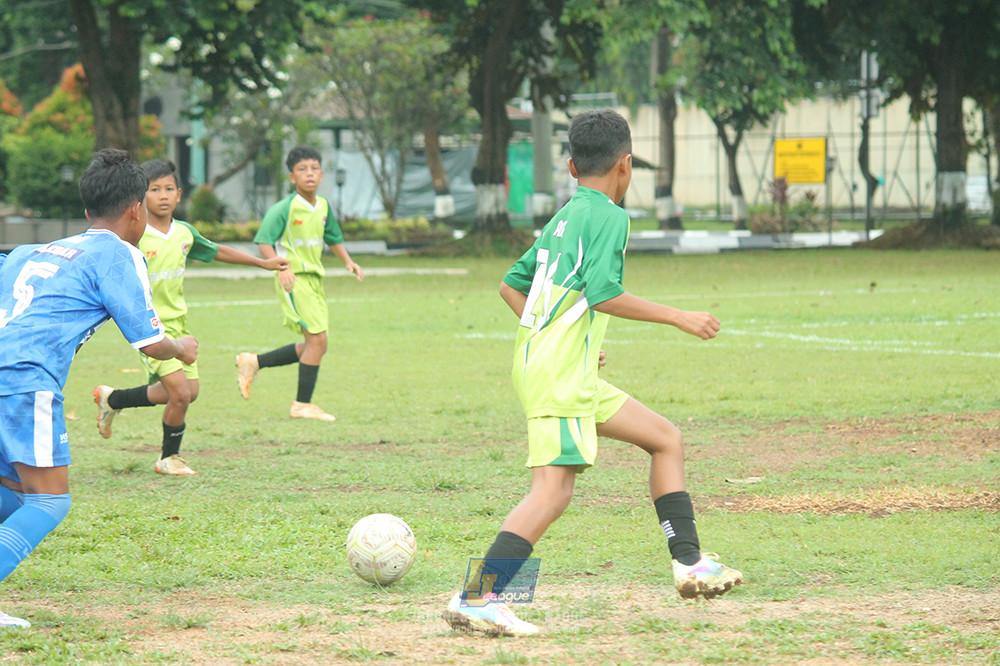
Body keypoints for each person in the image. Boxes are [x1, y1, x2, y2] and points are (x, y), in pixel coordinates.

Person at [441, 109, 743, 637]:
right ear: (625, 166)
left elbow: (510, 285)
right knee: (552, 492)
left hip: (561, 367)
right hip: (558, 373)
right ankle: (480, 596)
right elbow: (605, 293)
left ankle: (690, 563)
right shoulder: (608, 216)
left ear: (571, 165)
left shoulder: (563, 216)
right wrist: (679, 316)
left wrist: (558, 333)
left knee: (664, 438)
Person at [0, 149, 198, 627]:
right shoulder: (119, 254)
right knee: (49, 499)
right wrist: (182, 348)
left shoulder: (36, 250)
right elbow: (150, 342)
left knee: (14, 492)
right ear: (136, 210)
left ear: (88, 209)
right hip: (25, 381)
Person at [91, 159, 288, 476]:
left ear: (180, 194)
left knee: (186, 394)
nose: (163, 195)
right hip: (150, 327)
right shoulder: (135, 234)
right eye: (155, 190)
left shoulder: (183, 233)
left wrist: (261, 264)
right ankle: (169, 458)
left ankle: (114, 399)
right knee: (180, 393)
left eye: (169, 189)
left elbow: (217, 250)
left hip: (180, 324)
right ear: (141, 198)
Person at [235, 146, 364, 421]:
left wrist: (348, 262)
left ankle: (253, 362)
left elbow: (333, 237)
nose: (310, 174)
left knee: (316, 344)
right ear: (292, 177)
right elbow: (264, 242)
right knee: (318, 341)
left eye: (314, 169)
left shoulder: (324, 206)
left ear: (321, 173)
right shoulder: (284, 208)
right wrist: (281, 267)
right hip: (294, 279)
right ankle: (302, 405)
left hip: (315, 280)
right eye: (302, 170)